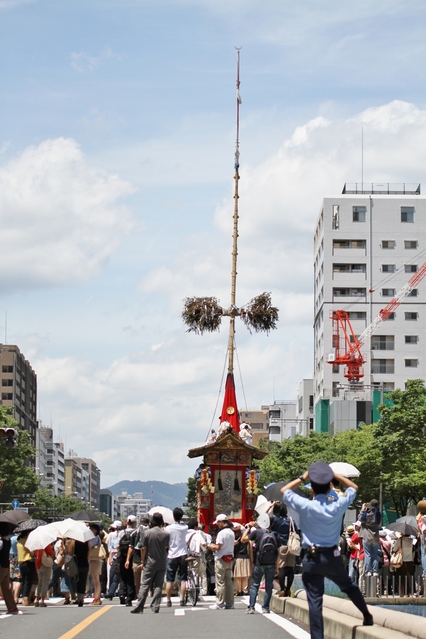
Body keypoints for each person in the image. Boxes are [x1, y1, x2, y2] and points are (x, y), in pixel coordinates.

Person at [281, 462, 373, 639]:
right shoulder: (337, 505)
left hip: (311, 557)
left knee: (315, 600)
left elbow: (285, 490)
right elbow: (353, 487)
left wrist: (304, 476)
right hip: (332, 556)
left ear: (312, 489)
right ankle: (366, 614)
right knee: (349, 586)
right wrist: (333, 474)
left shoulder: (306, 505)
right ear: (329, 486)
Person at [130, 512, 169, 614]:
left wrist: (143, 561)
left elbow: (143, 548)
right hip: (162, 561)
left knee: (145, 584)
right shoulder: (166, 534)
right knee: (158, 585)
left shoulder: (147, 533)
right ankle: (156, 606)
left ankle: (139, 606)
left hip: (150, 562)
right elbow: (167, 547)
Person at [242, 514, 280, 614]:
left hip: (259, 563)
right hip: (271, 563)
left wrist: (249, 528)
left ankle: (251, 607)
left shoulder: (257, 532)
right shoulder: (275, 534)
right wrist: (277, 566)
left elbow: (243, 539)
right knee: (268, 586)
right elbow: (278, 552)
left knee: (255, 585)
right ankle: (265, 608)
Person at [268, 501, 297, 597]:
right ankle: (288, 589)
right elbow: (296, 530)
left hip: (280, 545)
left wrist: (270, 506)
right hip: (291, 545)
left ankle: (282, 589)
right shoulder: (290, 519)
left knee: (281, 567)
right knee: (290, 568)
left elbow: (263, 521)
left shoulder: (274, 519)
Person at [208, 514, 235, 610]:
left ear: (221, 522)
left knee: (220, 582)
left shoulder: (221, 533)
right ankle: (230, 603)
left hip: (221, 559)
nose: (217, 525)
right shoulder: (231, 532)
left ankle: (220, 603)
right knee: (229, 582)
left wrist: (209, 546)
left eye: (218, 522)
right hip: (229, 558)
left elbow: (218, 547)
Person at [165, 507, 188, 607]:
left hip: (172, 554)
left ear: (173, 516)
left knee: (169, 579)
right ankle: (182, 600)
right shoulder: (185, 527)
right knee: (183, 579)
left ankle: (168, 600)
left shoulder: (168, 528)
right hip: (183, 554)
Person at [125, 516, 150, 597]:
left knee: (145, 580)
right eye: (142, 524)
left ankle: (144, 595)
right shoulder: (135, 534)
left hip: (147, 560)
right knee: (137, 581)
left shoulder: (150, 534)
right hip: (137, 560)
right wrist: (128, 560)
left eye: (145, 525)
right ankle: (139, 595)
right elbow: (131, 547)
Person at [0, 523, 21, 615]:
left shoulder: (0, 541)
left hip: (0, 566)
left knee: (6, 588)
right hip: (6, 567)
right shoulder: (8, 540)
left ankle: (12, 608)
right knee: (6, 589)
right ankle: (12, 608)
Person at [185, 518, 209, 596]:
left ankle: (189, 588)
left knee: (190, 574)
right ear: (195, 526)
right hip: (197, 557)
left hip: (187, 557)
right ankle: (203, 591)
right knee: (202, 574)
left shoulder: (184, 534)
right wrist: (205, 550)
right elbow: (203, 545)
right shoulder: (197, 534)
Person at [117, 515, 137, 606]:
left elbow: (117, 545)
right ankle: (129, 597)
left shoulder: (122, 532)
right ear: (134, 523)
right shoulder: (136, 532)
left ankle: (121, 593)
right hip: (133, 557)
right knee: (130, 578)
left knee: (122, 576)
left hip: (122, 557)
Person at [359, 499, 382, 577]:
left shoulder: (368, 514)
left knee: (368, 554)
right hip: (375, 537)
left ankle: (368, 571)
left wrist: (363, 509)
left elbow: (360, 519)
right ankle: (375, 571)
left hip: (367, 536)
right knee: (374, 554)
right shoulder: (378, 514)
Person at [104, 520, 122, 600]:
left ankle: (112, 592)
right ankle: (115, 591)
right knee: (115, 576)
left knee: (113, 575)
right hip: (115, 556)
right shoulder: (116, 534)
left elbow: (107, 544)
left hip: (114, 556)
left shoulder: (113, 535)